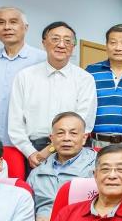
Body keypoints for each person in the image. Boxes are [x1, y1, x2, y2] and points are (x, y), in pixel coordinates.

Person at [8, 22, 97, 169]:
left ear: (73, 46)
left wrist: (49, 150)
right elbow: (15, 123)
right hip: (34, 151)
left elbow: (85, 120)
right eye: (55, 39)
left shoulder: (85, 79)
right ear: (44, 43)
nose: (61, 45)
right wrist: (31, 153)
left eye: (67, 41)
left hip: (74, 150)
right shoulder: (25, 77)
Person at [0, 7, 46, 147]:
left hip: (31, 143)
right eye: (1, 22)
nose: (7, 27)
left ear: (25, 27)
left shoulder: (42, 59)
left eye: (13, 22)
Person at [26, 112, 96, 221]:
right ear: (51, 139)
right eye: (60, 133)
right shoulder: (37, 173)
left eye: (73, 133)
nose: (66, 138)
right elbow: (24, 210)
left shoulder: (99, 167)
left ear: (84, 138)